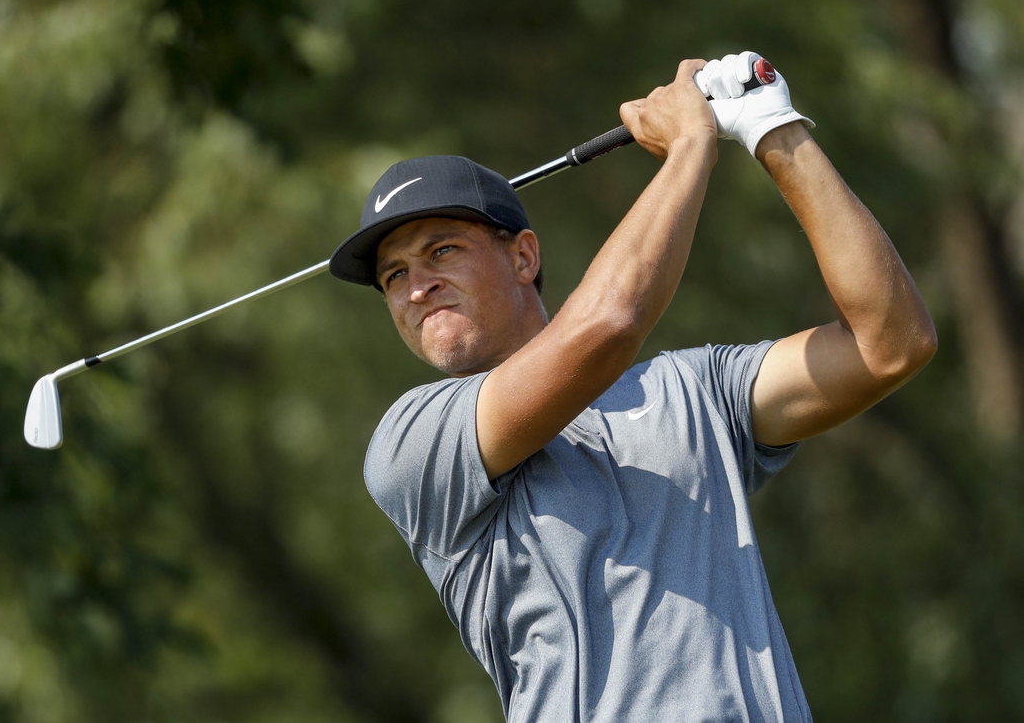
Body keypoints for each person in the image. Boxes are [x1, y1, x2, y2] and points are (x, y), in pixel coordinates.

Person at [327, 53, 937, 722]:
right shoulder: (412, 442)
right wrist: (691, 146)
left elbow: (891, 344)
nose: (417, 287)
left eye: (441, 250)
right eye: (393, 276)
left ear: (523, 256)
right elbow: (608, 325)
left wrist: (774, 129)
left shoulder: (693, 390)